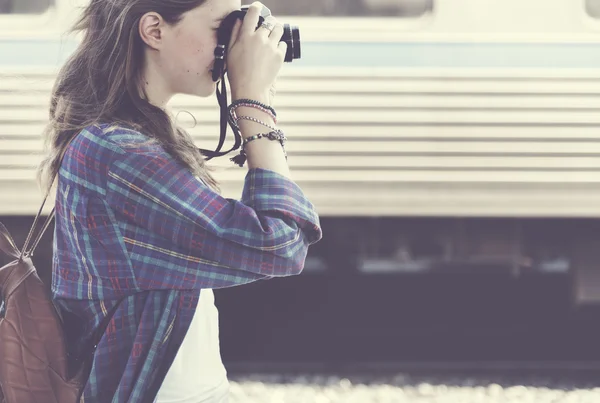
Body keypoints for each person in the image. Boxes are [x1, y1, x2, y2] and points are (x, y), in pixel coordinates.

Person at [36, 0, 322, 402]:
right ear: (154, 30)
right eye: (221, 28)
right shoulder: (118, 153)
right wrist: (253, 99)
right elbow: (279, 244)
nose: (231, 46)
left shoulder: (136, 138)